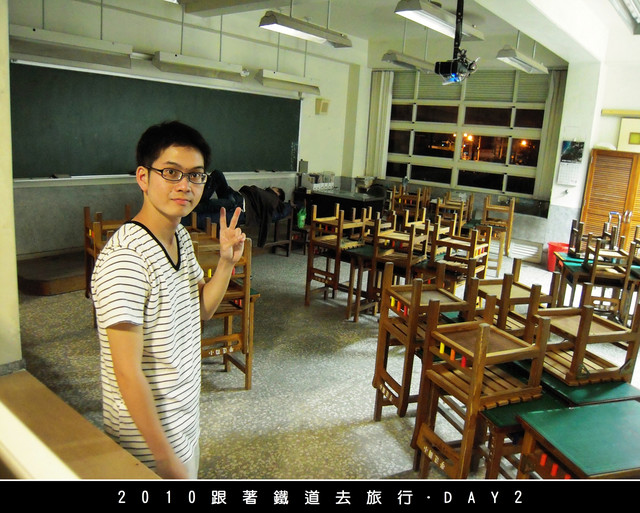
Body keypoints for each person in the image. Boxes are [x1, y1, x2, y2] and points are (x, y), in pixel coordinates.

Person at [91, 120, 246, 479]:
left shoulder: (181, 238)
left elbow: (200, 311)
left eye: (195, 175)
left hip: (181, 423)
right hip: (146, 445)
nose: (185, 186)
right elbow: (127, 372)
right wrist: (165, 460)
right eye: (171, 172)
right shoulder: (127, 259)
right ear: (143, 177)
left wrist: (226, 263)